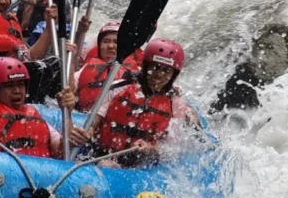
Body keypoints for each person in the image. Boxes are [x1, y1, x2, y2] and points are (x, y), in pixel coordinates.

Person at [78, 38, 200, 168]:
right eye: (155, 67)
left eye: (166, 71)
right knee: (105, 164)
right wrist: (88, 131)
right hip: (101, 153)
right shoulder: (120, 87)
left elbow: (171, 148)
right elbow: (95, 119)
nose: (159, 75)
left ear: (173, 75)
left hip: (141, 164)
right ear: (146, 66)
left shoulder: (175, 105)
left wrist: (151, 149)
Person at [71, 22, 140, 112]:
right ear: (99, 46)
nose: (110, 46)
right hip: (82, 115)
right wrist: (71, 59)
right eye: (106, 41)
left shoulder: (135, 73)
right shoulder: (90, 65)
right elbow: (70, 88)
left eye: (116, 42)